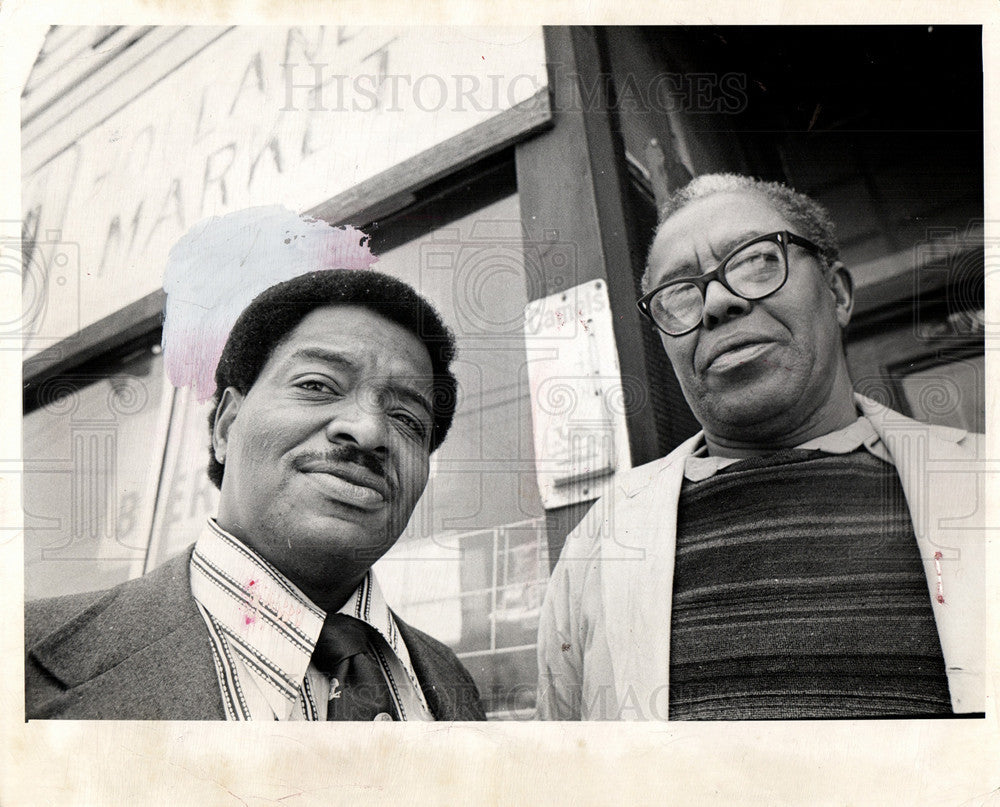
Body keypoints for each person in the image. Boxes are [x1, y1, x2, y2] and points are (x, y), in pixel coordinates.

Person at [537, 173, 985, 720]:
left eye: (754, 261)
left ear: (838, 292)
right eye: (680, 293)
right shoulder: (598, 546)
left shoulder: (984, 482)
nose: (717, 303)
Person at [26, 268, 486, 721]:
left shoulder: (452, 684)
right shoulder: (22, 663)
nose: (367, 431)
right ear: (226, 426)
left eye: (407, 419)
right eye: (317, 385)